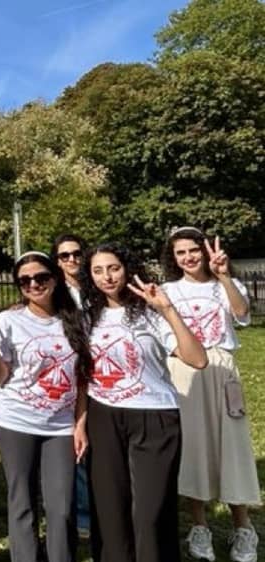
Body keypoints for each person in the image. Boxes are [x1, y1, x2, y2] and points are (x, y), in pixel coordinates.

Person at [80, 242, 207, 562]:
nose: (107, 277)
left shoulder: (152, 312)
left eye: (113, 268)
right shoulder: (86, 318)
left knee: (151, 512)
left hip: (154, 416)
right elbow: (82, 374)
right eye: (98, 270)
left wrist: (167, 309)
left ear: (127, 268)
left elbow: (198, 359)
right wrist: (80, 421)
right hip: (103, 416)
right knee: (111, 508)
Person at [0, 251, 92, 562]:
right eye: (25, 280)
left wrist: (80, 423)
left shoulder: (79, 320)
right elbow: (0, 376)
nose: (34, 284)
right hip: (16, 422)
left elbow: (82, 378)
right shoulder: (8, 321)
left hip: (60, 426)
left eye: (41, 277)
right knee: (22, 503)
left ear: (55, 278)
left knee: (62, 506)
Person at [160, 227, 261, 562]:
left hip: (221, 368)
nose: (188, 257)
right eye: (180, 253)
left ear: (204, 252)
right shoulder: (167, 290)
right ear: (172, 258)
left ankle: (243, 526)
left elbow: (243, 316)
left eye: (193, 250)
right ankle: (199, 525)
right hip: (184, 371)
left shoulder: (224, 285)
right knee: (193, 447)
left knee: (231, 446)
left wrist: (224, 276)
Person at [50, 233, 93, 544]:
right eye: (64, 256)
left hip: (103, 375)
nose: (72, 260)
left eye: (76, 254)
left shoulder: (95, 287)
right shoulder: (56, 293)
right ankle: (81, 516)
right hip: (71, 374)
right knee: (75, 447)